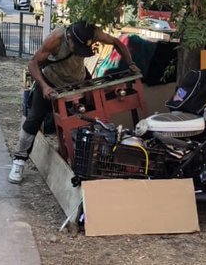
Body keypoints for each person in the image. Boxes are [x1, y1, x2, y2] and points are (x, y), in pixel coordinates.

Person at [8, 21, 137, 184]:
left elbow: (117, 42)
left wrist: (130, 63)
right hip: (51, 81)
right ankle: (19, 161)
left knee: (89, 118)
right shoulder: (55, 39)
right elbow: (33, 63)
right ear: (68, 37)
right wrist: (45, 87)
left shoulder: (92, 32)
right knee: (34, 118)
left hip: (77, 81)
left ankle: (88, 162)